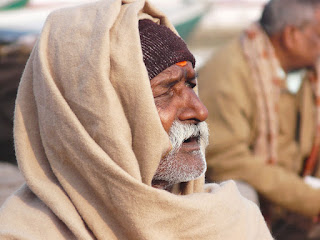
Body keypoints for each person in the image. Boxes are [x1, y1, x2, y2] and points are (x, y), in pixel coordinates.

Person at [0, 0, 273, 239]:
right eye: (166, 90)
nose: (200, 111)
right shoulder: (26, 233)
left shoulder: (234, 223)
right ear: (100, 116)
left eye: (190, 85)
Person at [199, 0, 320, 238]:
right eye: (318, 34)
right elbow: (227, 162)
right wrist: (311, 199)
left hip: (291, 193)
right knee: (240, 195)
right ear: (292, 36)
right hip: (244, 198)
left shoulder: (307, 73)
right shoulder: (228, 72)